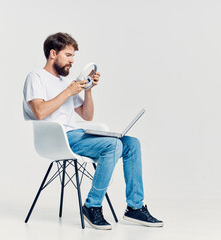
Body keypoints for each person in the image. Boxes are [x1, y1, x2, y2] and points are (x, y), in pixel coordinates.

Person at [23, 32, 163, 230]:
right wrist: (68, 92)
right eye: (68, 55)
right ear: (53, 53)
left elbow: (87, 116)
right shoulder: (36, 77)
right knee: (113, 145)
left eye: (73, 56)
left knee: (132, 143)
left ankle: (135, 207)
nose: (72, 61)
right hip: (58, 139)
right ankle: (92, 205)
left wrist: (88, 90)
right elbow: (38, 112)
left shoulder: (66, 83)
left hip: (78, 136)